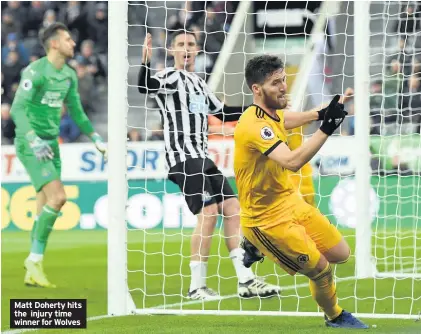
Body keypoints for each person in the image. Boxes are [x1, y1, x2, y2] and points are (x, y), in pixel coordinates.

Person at [137, 31, 281, 300]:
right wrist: (144, 61)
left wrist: (261, 107)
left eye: (191, 44)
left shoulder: (200, 84)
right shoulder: (169, 76)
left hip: (202, 158)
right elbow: (144, 86)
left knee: (232, 207)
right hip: (182, 158)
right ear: (172, 50)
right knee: (209, 211)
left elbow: (223, 113)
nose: (186, 49)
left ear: (198, 49)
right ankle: (196, 286)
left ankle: (245, 279)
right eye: (181, 45)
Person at [235, 55, 368, 329]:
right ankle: (335, 315)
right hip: (265, 220)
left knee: (341, 253)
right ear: (256, 90)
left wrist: (320, 113)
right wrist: (326, 128)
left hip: (289, 202)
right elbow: (293, 162)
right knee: (321, 270)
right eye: (275, 83)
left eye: (283, 79)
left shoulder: (270, 115)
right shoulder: (254, 126)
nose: (284, 87)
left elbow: (286, 119)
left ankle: (253, 247)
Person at [10, 23, 107, 288]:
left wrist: (96, 137)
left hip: (52, 144)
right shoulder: (35, 71)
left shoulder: (68, 74)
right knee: (59, 197)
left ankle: (34, 267)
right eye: (67, 39)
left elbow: (76, 111)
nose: (73, 44)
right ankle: (33, 260)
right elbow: (17, 109)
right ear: (54, 43)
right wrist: (32, 138)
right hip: (32, 143)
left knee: (44, 207)